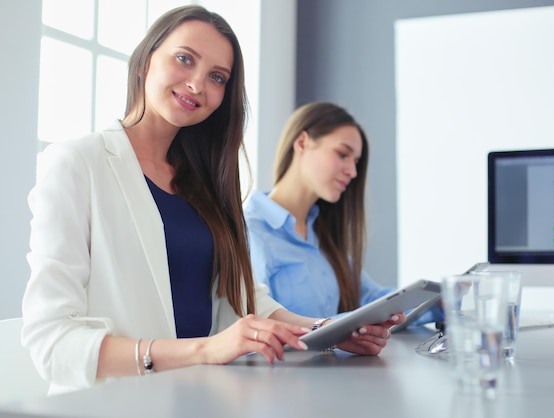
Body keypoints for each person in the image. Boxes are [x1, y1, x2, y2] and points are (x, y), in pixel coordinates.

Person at [21, 6, 403, 394]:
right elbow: (52, 342)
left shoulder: (205, 184)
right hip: (116, 404)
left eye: (217, 77)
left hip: (199, 398)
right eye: (185, 59)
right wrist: (203, 350)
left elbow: (245, 299)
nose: (197, 84)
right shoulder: (76, 162)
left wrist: (326, 332)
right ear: (144, 60)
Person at [244, 102, 444, 323]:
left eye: (356, 162)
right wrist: (347, 326)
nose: (353, 172)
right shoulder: (250, 232)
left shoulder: (322, 234)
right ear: (302, 142)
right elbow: (262, 322)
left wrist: (438, 301)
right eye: (342, 154)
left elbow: (374, 300)